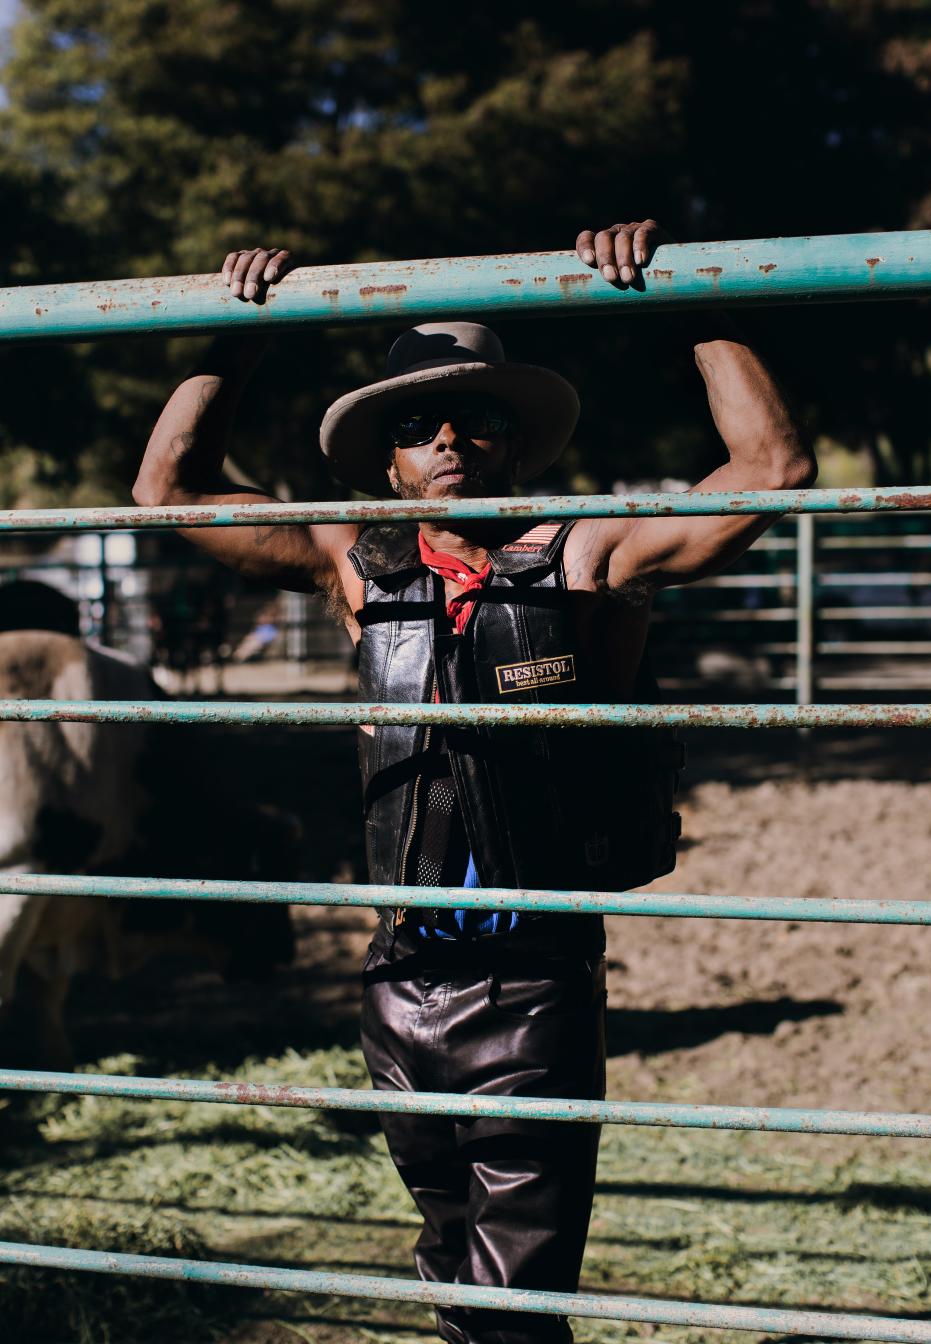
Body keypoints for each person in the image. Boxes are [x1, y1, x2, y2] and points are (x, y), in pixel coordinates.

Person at [133, 218, 816, 1344]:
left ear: (516, 443)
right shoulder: (355, 563)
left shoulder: (584, 556)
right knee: (453, 1273)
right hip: (394, 988)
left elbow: (774, 472)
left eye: (478, 417)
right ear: (390, 458)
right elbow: (168, 490)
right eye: (418, 423)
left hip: (531, 992)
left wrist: (681, 297)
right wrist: (239, 324)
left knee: (509, 1314)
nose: (449, 437)